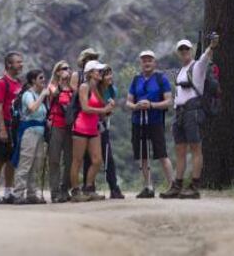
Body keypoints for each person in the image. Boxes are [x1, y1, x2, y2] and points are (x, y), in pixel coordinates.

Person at [160, 34, 219, 199]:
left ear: (191, 51)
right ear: (178, 53)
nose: (184, 51)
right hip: (179, 112)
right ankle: (177, 185)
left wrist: (212, 45)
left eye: (186, 49)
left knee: (195, 148)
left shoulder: (197, 67)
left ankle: (194, 185)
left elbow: (206, 57)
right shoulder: (180, 71)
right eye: (181, 49)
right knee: (179, 150)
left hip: (192, 111)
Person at [126, 50, 173, 198]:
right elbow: (128, 102)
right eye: (144, 60)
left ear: (154, 62)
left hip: (155, 121)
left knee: (161, 153)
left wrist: (151, 105)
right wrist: (136, 106)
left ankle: (172, 185)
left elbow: (169, 101)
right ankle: (148, 186)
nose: (146, 63)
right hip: (138, 121)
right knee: (143, 155)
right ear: (141, 63)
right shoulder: (136, 79)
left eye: (149, 60)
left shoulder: (161, 79)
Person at [70, 60, 115, 202]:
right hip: (81, 127)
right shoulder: (84, 86)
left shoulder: (97, 88)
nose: (100, 73)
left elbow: (101, 111)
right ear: (90, 73)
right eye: (98, 71)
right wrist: (104, 109)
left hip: (93, 128)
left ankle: (88, 188)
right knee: (77, 160)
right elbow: (85, 108)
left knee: (97, 160)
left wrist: (108, 109)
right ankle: (76, 191)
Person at [83, 65, 125, 199]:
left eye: (110, 74)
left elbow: (107, 112)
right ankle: (89, 187)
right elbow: (99, 109)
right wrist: (106, 109)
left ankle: (113, 188)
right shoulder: (96, 90)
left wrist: (109, 110)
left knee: (108, 157)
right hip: (91, 125)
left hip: (102, 126)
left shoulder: (113, 90)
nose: (110, 77)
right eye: (107, 75)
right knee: (90, 158)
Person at [0, 50, 23, 204]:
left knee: (11, 160)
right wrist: (2, 129)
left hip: (15, 126)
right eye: (18, 62)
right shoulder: (1, 83)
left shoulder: (18, 83)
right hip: (4, 125)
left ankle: (8, 192)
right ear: (9, 64)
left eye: (21, 62)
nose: (21, 64)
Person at [12, 69, 49, 204]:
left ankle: (32, 193)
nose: (43, 80)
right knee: (26, 162)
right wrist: (43, 96)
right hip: (29, 132)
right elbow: (32, 108)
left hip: (39, 133)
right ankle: (18, 194)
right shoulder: (28, 95)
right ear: (33, 80)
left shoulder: (39, 95)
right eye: (40, 78)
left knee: (36, 163)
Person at [47, 60, 74, 203]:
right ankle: (55, 191)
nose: (67, 71)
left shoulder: (72, 87)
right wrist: (61, 82)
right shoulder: (52, 86)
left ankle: (65, 188)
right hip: (56, 125)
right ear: (57, 71)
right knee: (54, 159)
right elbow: (54, 94)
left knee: (69, 160)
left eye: (69, 68)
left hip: (70, 126)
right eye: (64, 68)